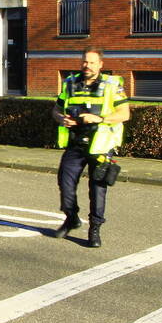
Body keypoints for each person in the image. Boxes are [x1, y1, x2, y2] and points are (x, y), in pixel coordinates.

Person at [51, 48, 130, 247]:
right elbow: (56, 109)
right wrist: (61, 118)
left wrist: (100, 118)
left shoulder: (113, 85)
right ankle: (71, 218)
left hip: (100, 146)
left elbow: (124, 113)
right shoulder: (70, 83)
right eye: (85, 62)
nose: (87, 66)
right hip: (75, 144)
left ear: (101, 65)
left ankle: (94, 230)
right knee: (65, 184)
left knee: (97, 190)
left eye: (92, 63)